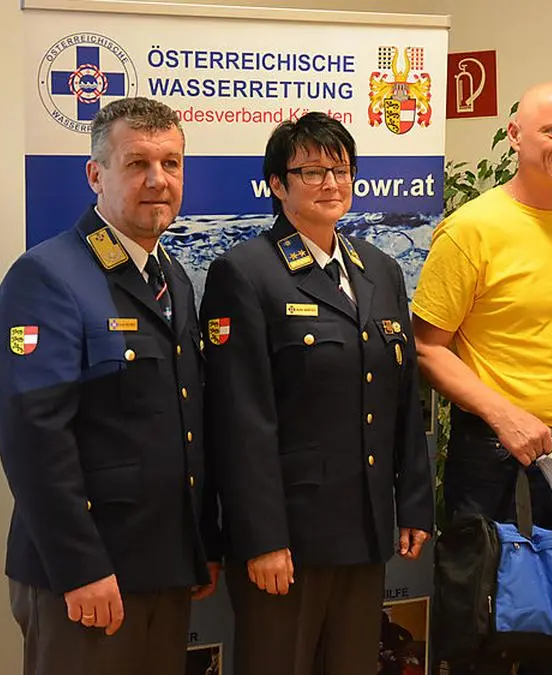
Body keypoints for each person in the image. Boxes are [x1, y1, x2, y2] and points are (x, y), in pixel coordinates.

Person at [0, 96, 220, 675]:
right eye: (137, 163)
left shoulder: (173, 279)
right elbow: (35, 440)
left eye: (171, 163)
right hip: (89, 576)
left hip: (164, 567)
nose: (158, 180)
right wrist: (81, 568)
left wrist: (199, 546)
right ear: (96, 175)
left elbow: (184, 422)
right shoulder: (48, 276)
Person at [200, 112, 433, 675]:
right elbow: (240, 420)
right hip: (289, 537)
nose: (331, 183)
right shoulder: (245, 272)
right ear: (278, 185)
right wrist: (262, 538)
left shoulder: (379, 269)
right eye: (311, 171)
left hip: (365, 528)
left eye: (341, 170)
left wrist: (413, 503)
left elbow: (403, 399)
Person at [412, 81, 552, 675]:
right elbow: (427, 347)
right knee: (487, 634)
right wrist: (505, 416)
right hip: (497, 459)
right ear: (514, 135)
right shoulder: (471, 228)